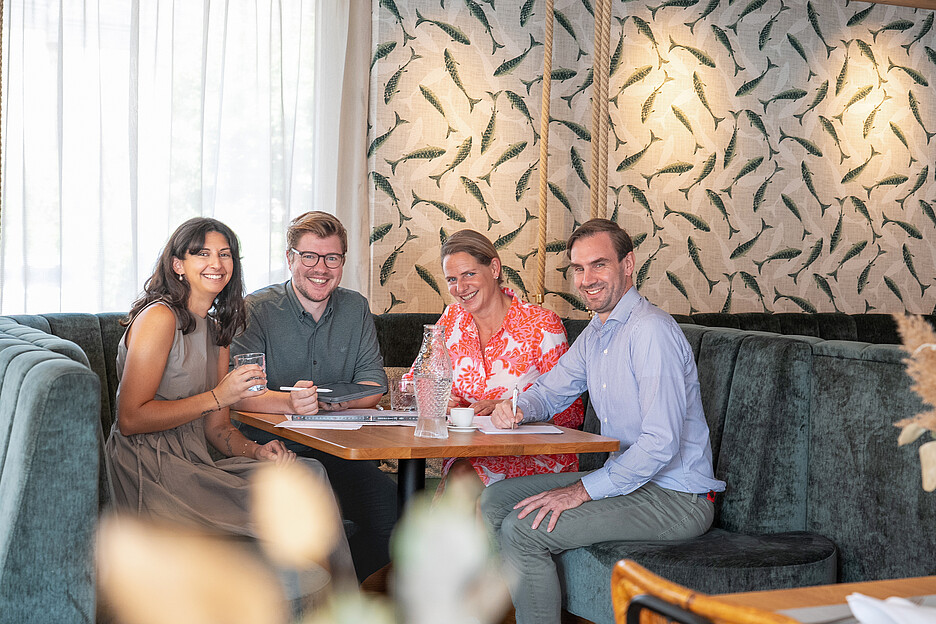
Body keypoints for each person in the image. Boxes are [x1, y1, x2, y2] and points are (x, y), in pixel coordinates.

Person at [481, 219, 726, 624]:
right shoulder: (597, 333)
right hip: (631, 481)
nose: (586, 279)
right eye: (578, 269)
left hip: (677, 498)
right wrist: (520, 406)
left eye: (598, 265)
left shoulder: (650, 331)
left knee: (523, 530)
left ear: (628, 264)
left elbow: (660, 443)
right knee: (495, 500)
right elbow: (553, 389)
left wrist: (581, 490)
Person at [105, 217, 354, 586]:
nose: (216, 263)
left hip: (197, 461)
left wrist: (257, 451)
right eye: (202, 253)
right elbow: (130, 418)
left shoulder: (218, 327)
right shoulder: (159, 318)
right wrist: (220, 395)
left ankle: (327, 603)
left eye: (225, 254)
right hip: (149, 467)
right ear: (178, 265)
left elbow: (218, 429)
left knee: (307, 474)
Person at [230, 211, 395, 582]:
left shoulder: (355, 308)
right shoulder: (254, 310)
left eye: (331, 258)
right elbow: (237, 395)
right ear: (290, 259)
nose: (320, 268)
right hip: (269, 450)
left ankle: (334, 597)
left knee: (392, 512)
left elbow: (374, 388)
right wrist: (289, 403)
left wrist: (325, 402)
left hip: (336, 450)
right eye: (309, 256)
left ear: (342, 262)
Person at [425, 229, 583, 492]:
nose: (460, 288)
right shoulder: (451, 319)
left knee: (462, 480)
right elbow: (417, 381)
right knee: (462, 474)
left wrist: (515, 409)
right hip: (467, 452)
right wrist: (439, 398)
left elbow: (572, 411)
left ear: (494, 268)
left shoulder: (542, 324)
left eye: (469, 274)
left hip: (533, 455)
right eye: (451, 279)